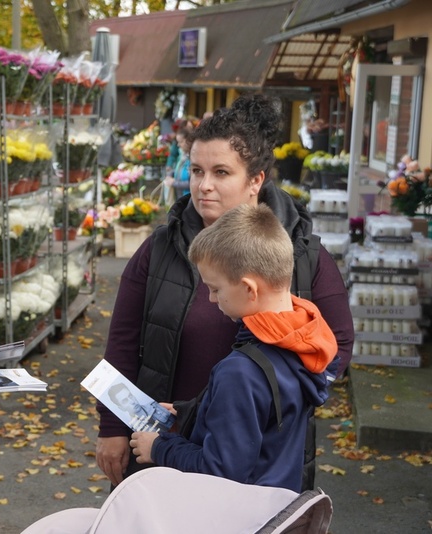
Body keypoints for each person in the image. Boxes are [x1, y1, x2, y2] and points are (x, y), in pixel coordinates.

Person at [95, 93, 354, 489]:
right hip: (163, 444)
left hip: (258, 465)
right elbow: (123, 344)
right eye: (196, 171)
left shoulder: (301, 252)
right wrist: (113, 427)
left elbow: (337, 342)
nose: (204, 186)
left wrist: (276, 401)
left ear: (255, 181)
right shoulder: (161, 247)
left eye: (221, 172)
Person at [129, 203, 337, 492]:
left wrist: (160, 447)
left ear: (250, 289)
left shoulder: (240, 372)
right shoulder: (303, 340)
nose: (212, 300)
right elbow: (262, 421)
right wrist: (193, 411)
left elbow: (220, 472)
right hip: (275, 506)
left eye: (215, 289)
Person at [106, 382, 172, 430]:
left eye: (130, 396)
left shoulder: (155, 405)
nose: (132, 401)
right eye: (125, 401)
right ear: (121, 408)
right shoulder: (134, 429)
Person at [163, 120, 194, 199]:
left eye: (180, 142)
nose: (178, 145)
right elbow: (178, 170)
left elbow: (192, 183)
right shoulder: (184, 156)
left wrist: (174, 183)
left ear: (188, 141)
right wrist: (170, 174)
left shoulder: (193, 159)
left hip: (189, 200)